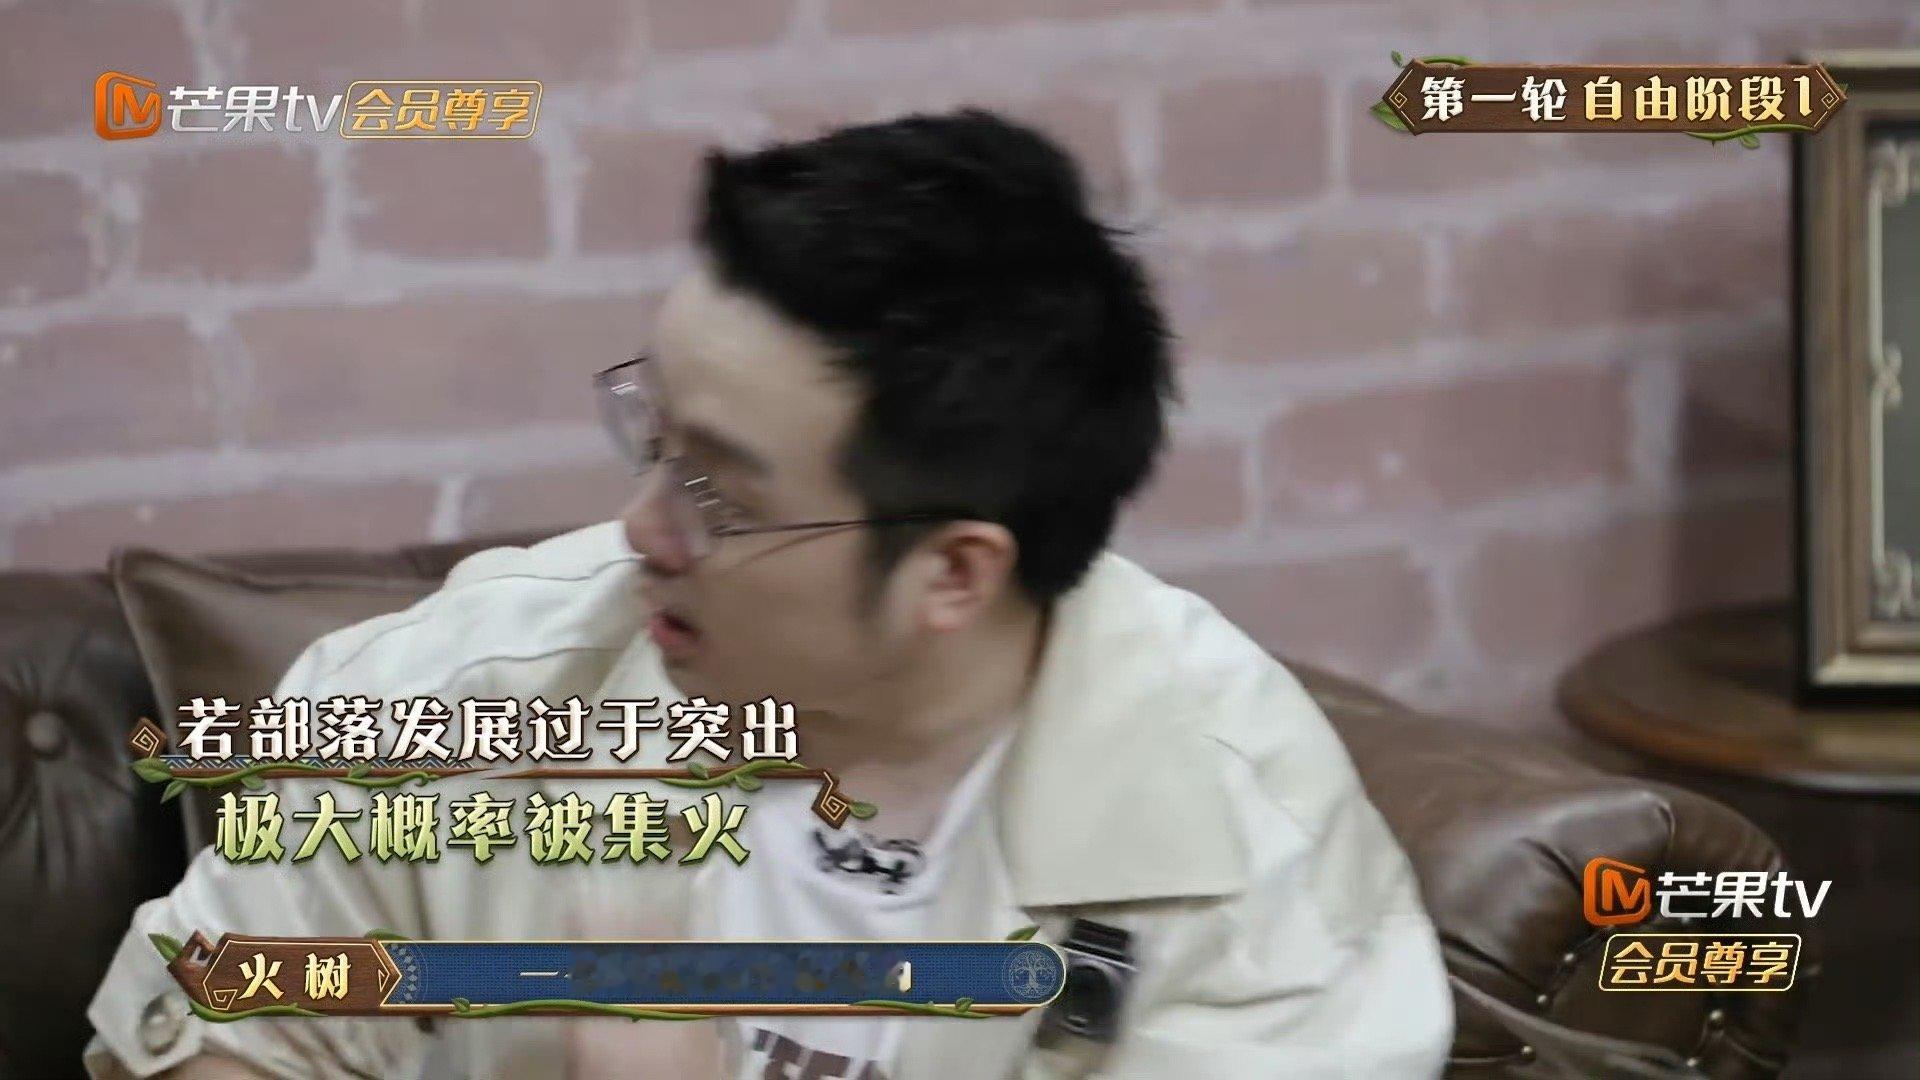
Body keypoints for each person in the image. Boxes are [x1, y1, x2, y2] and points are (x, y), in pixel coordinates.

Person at [85, 109, 1453, 1079]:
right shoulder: (481, 689)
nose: (642, 528)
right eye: (655, 436)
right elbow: (223, 1032)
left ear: (952, 572)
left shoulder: (1242, 858)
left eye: (721, 495)